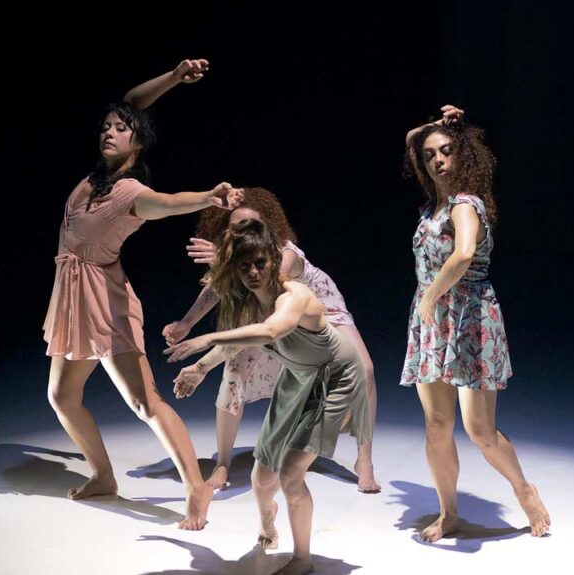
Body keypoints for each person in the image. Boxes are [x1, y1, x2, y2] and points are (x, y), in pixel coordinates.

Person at [43, 59, 242, 530]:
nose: (109, 132)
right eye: (106, 127)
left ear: (137, 142)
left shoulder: (132, 192)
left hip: (106, 305)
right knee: (62, 396)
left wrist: (208, 197)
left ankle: (196, 487)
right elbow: (132, 102)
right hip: (73, 300)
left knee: (143, 402)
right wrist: (174, 77)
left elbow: (170, 203)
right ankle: (103, 476)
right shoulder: (95, 179)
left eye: (120, 129)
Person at [165, 219, 371, 574]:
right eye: (244, 265)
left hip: (335, 377)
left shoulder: (295, 296)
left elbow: (272, 330)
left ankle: (302, 558)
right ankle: (267, 522)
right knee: (262, 476)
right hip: (298, 376)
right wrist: (200, 368)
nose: (253, 272)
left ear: (274, 261)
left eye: (260, 263)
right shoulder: (250, 303)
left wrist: (206, 337)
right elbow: (243, 339)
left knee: (290, 473)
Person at [163, 187, 380, 493]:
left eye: (251, 225)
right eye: (236, 227)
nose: (243, 232)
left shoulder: (284, 255)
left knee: (364, 369)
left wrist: (201, 364)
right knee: (235, 370)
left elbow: (269, 317)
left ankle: (364, 459)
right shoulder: (237, 261)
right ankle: (223, 461)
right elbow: (218, 289)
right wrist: (186, 324)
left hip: (316, 308)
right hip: (270, 318)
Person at [400, 104, 550, 541]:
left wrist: (431, 294)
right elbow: (411, 139)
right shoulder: (433, 206)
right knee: (436, 426)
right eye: (430, 155)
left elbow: (463, 255)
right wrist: (436, 125)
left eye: (447, 151)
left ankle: (524, 490)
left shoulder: (466, 205)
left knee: (480, 431)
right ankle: (448, 513)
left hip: (469, 318)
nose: (438, 160)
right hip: (434, 320)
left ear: (463, 155)